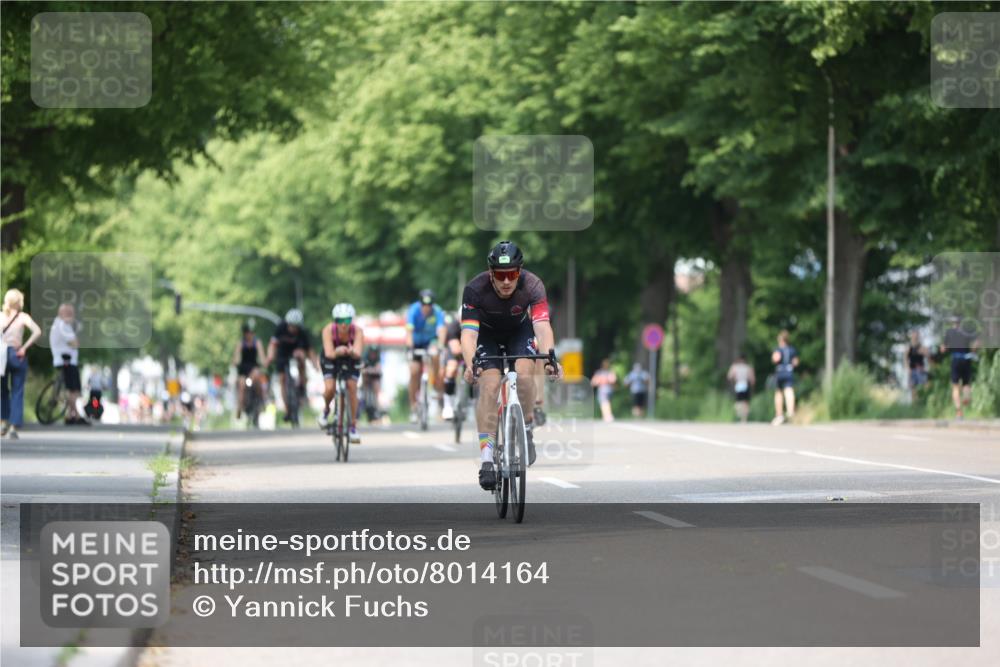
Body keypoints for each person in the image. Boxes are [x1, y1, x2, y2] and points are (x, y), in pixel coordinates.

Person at [461, 240, 562, 491]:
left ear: (520, 271)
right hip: (486, 335)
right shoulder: (475, 289)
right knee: (490, 384)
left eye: (512, 275)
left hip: (519, 331)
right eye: (500, 275)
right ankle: (486, 459)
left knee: (526, 374)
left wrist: (550, 357)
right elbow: (469, 335)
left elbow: (541, 326)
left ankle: (526, 423)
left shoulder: (533, 285)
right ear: (491, 273)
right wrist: (470, 364)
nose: (507, 281)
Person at [319, 303, 363, 443]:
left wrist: (350, 351)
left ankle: (353, 426)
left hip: (350, 359)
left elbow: (357, 352)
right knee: (330, 388)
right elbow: (329, 353)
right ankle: (326, 411)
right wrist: (338, 351)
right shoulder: (328, 330)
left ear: (351, 320)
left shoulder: (357, 331)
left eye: (347, 320)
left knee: (352, 387)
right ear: (335, 321)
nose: (343, 325)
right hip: (332, 358)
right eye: (339, 321)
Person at [1, 289, 42, 439]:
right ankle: (13, 426)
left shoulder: (1, 316)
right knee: (17, 391)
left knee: (2, 390)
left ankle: (2, 422)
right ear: (19, 302)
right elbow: (37, 331)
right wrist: (24, 347)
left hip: (2, 355)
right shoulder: (23, 317)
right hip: (17, 354)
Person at [266, 308, 318, 423]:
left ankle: (302, 384)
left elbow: (310, 350)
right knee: (282, 379)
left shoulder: (302, 332)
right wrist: (269, 357)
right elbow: (272, 345)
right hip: (282, 353)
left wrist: (315, 365)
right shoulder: (280, 328)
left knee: (301, 356)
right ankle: (287, 409)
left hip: (296, 352)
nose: (293, 328)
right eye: (291, 326)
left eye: (295, 326)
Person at [406, 289, 446, 422]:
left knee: (435, 354)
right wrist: (410, 348)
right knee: (414, 371)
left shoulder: (437, 311)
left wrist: (440, 345)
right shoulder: (413, 310)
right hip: (416, 344)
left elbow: (441, 330)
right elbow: (409, 332)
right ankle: (413, 406)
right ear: (420, 303)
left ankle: (434, 382)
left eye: (429, 305)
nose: (426, 308)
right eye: (424, 304)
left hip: (430, 342)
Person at [49, 303, 87, 425]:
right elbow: (75, 343)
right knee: (74, 389)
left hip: (63, 361)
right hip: (67, 361)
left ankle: (71, 415)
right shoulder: (63, 325)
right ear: (65, 314)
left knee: (72, 389)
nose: (73, 315)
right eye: (70, 313)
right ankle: (76, 415)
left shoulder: (58, 324)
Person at [941, 316, 978, 419]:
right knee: (966, 383)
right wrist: (973, 351)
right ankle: (966, 397)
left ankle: (959, 411)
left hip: (956, 360)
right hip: (967, 358)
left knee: (955, 386)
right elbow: (977, 342)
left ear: (953, 322)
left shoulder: (949, 332)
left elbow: (943, 348)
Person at [232, 322, 266, 420]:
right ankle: (240, 406)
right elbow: (236, 356)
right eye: (248, 333)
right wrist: (235, 361)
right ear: (245, 334)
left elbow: (262, 355)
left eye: (251, 333)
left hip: (254, 367)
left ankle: (261, 402)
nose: (250, 335)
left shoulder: (257, 342)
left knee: (257, 378)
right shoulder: (241, 343)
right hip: (243, 369)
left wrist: (264, 362)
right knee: (242, 385)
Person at [770, 330, 798, 425]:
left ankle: (779, 415)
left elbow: (775, 358)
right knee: (789, 391)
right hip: (789, 371)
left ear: (781, 340)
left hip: (780, 371)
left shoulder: (778, 349)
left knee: (779, 392)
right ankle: (790, 412)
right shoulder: (792, 350)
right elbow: (795, 362)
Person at [440, 312, 462, 420]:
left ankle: (472, 400)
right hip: (456, 352)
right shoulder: (454, 326)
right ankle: (447, 405)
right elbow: (455, 350)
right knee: (451, 368)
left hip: (469, 350)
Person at [726, 354, 756, 423]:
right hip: (745, 384)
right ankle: (744, 418)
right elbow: (752, 379)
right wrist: (752, 387)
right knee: (745, 402)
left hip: (738, 384)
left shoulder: (734, 367)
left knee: (738, 401)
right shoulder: (748, 367)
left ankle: (739, 414)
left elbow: (729, 376)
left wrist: (733, 380)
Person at [361, 343, 382, 422]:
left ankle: (376, 407)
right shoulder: (365, 357)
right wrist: (367, 370)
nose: (373, 354)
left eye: (375, 352)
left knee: (376, 386)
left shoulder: (378, 358)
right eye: (372, 352)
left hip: (375, 376)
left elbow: (378, 369)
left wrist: (372, 370)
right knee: (365, 378)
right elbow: (362, 368)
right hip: (366, 376)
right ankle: (364, 395)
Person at [906, 330, 929, 403]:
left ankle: (925, 401)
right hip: (912, 369)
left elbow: (928, 356)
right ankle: (914, 404)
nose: (915, 337)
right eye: (914, 335)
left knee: (925, 385)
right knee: (913, 387)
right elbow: (905, 359)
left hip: (921, 369)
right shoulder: (909, 347)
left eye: (916, 335)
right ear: (912, 336)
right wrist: (908, 369)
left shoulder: (922, 346)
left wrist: (923, 352)